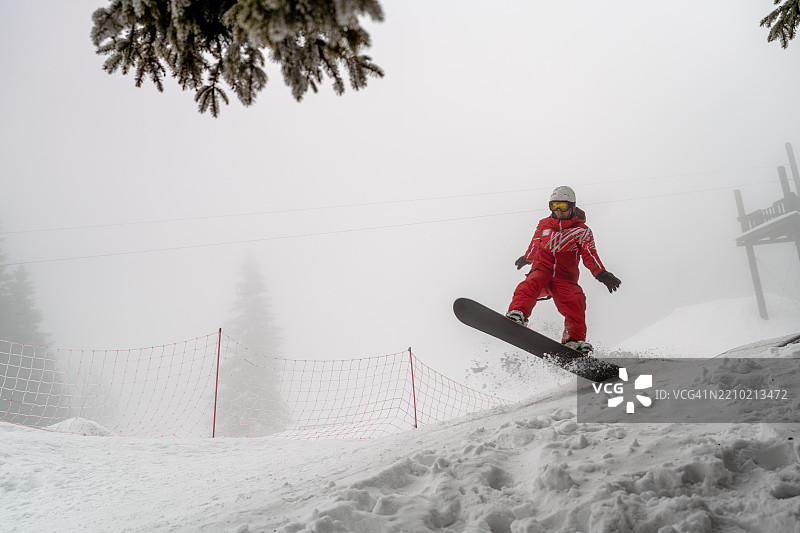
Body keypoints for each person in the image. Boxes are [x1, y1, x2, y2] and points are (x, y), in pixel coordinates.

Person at [505, 186, 621, 354]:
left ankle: (573, 341)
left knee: (576, 300)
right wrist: (527, 258)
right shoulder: (543, 225)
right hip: (542, 271)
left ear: (572, 207)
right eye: (554, 206)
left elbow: (589, 254)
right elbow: (535, 245)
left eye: (563, 206)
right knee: (530, 283)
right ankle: (518, 314)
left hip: (565, 279)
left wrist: (601, 273)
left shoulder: (582, 231)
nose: (558, 210)